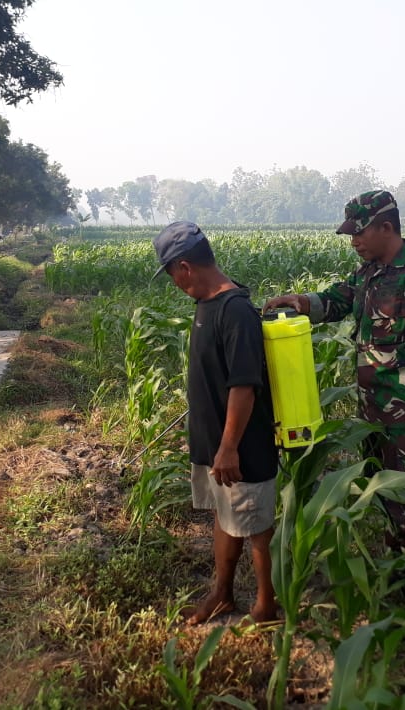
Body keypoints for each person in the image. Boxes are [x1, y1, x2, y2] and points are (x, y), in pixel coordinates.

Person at [265, 190, 405, 551]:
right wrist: (301, 302)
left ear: (386, 227)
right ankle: (400, 568)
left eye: (359, 233)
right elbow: (338, 300)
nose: (353, 242)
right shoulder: (370, 273)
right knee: (383, 490)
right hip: (373, 408)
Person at [153, 221, 280, 624]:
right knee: (224, 517)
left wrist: (228, 448)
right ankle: (222, 594)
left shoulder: (236, 311)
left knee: (256, 525)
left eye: (171, 273)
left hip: (241, 447)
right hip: (215, 444)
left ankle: (267, 606)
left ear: (184, 267)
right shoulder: (206, 305)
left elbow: (244, 387)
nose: (173, 282)